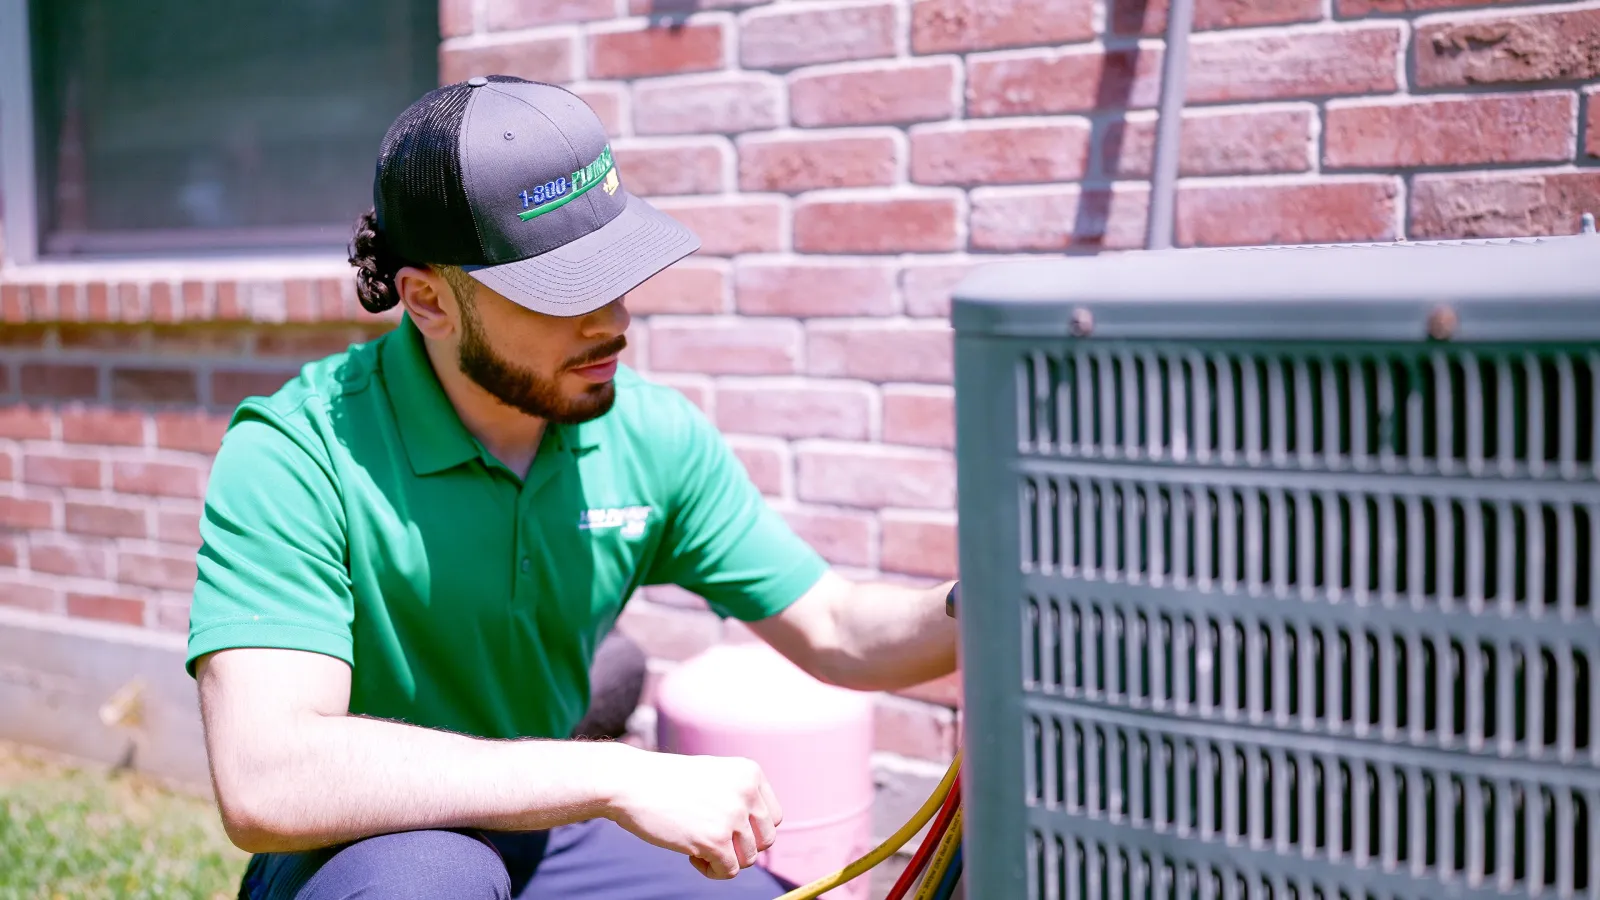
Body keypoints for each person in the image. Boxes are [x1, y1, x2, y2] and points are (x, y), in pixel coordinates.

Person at [186, 75, 960, 900]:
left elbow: (837, 626)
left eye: (617, 271)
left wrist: (993, 604)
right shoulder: (298, 451)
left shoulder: (651, 437)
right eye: (562, 290)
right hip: (368, 849)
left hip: (547, 834)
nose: (613, 320)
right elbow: (266, 777)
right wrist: (612, 775)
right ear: (428, 300)